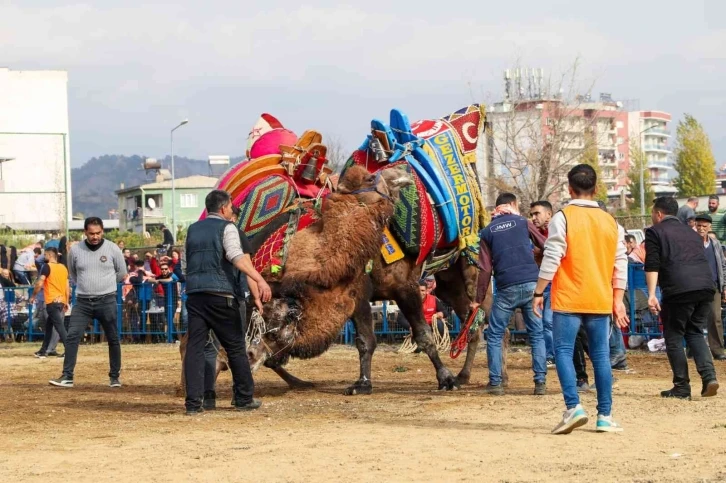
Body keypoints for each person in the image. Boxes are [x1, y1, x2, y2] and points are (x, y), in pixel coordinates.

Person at [533, 164, 629, 434]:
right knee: (600, 355)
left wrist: (539, 291)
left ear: (569, 188)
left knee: (563, 351)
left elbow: (552, 256)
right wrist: (618, 298)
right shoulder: (611, 221)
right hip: (599, 297)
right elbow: (619, 262)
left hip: (568, 297)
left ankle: (573, 407)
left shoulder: (562, 217)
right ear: (596, 188)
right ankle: (605, 416)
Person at [183, 190, 272, 415]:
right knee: (235, 348)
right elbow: (235, 255)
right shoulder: (228, 227)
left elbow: (187, 263)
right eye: (231, 206)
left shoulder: (192, 229)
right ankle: (243, 398)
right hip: (222, 296)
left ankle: (194, 403)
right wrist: (259, 279)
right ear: (223, 208)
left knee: (195, 349)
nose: (232, 210)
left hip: (195, 295)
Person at [473, 192, 547, 396]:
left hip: (506, 288)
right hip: (532, 285)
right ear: (513, 204)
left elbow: (485, 269)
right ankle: (540, 382)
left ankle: (496, 383)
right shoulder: (523, 222)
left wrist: (477, 300)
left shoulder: (487, 232)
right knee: (537, 334)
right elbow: (545, 244)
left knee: (495, 334)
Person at [645, 197, 719, 400]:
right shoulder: (692, 232)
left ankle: (681, 387)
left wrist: (651, 295)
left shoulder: (655, 231)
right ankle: (709, 377)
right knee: (695, 332)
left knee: (674, 335)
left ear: (659, 214)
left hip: (679, 289)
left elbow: (652, 264)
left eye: (653, 213)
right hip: (705, 287)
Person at [49, 217, 127, 388]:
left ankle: (114, 377)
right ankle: (67, 376)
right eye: (91, 233)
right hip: (83, 302)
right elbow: (73, 273)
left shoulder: (113, 249)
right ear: (85, 232)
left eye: (98, 233)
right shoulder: (75, 251)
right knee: (72, 336)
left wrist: (106, 284)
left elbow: (121, 272)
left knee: (113, 338)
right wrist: (87, 286)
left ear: (103, 231)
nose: (95, 236)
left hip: (107, 300)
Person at [693, 214, 726, 361]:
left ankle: (717, 349)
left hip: (713, 285)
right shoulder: (690, 243)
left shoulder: (715, 244)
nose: (701, 228)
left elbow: (722, 265)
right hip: (695, 286)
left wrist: (724, 285)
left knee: (715, 318)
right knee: (693, 318)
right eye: (699, 225)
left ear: (709, 227)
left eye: (704, 226)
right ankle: (693, 348)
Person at [29, 247, 69, 358]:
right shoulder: (63, 267)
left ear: (49, 255)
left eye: (45, 255)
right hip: (61, 301)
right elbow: (67, 286)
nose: (44, 257)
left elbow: (39, 283)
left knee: (59, 327)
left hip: (52, 301)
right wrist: (66, 301)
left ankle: (70, 350)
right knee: (49, 327)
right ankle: (43, 350)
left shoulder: (47, 267)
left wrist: (33, 296)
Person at [530, 200, 555, 367]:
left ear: (548, 214)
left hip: (554, 283)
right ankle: (546, 355)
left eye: (536, 213)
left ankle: (552, 355)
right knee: (539, 323)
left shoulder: (556, 230)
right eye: (531, 214)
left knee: (548, 321)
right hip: (538, 283)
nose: (533, 218)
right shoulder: (532, 232)